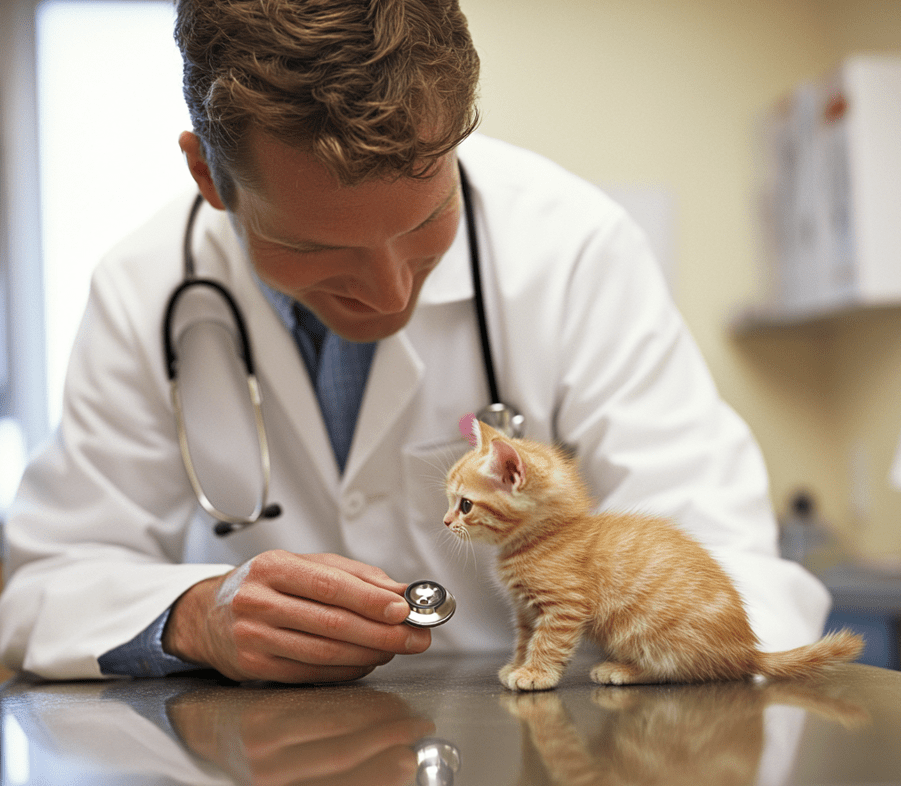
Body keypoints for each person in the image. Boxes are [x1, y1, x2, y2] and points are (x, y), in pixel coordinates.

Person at [0, 0, 831, 682]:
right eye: (319, 250)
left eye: (428, 223)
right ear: (209, 177)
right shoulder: (144, 284)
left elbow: (726, 561)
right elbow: (46, 586)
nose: (390, 292)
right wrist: (196, 616)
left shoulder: (573, 245)